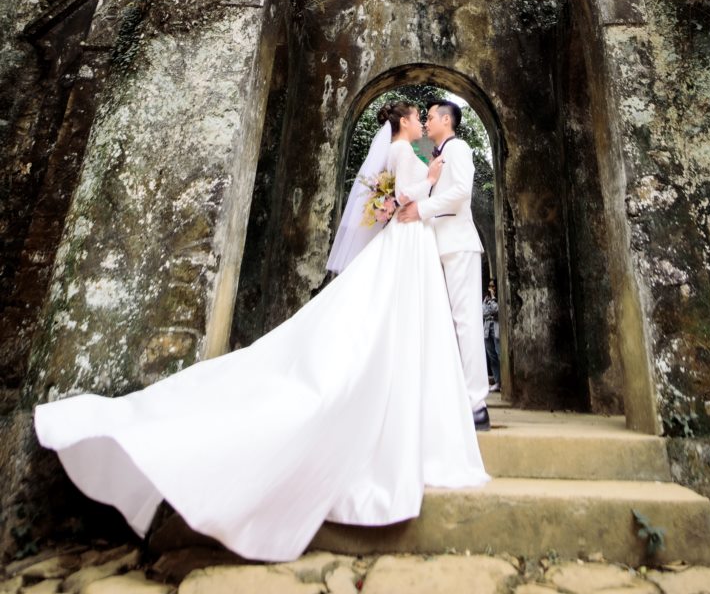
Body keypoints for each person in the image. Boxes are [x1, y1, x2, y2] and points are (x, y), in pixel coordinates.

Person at [33, 102, 489, 563]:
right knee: (395, 322)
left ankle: (424, 393)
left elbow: (408, 198)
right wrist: (427, 184)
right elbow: (408, 195)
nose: (424, 120)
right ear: (404, 122)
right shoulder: (405, 152)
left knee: (400, 321)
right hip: (409, 238)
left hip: (414, 240)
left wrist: (417, 194)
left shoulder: (419, 151)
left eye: (430, 116)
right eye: (419, 116)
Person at [396, 100, 491, 431]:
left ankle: (476, 404)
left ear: (447, 120)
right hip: (437, 245)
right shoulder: (434, 155)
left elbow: (462, 191)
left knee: (466, 321)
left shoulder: (459, 148)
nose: (426, 121)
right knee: (445, 323)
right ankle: (452, 397)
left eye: (431, 117)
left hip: (459, 243)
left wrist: (421, 210)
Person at [483, 279, 501, 393]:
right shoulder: (485, 299)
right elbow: (483, 312)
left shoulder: (497, 299)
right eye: (490, 286)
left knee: (499, 354)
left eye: (493, 286)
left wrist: (494, 299)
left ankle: (503, 381)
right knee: (492, 357)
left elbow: (497, 310)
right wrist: (492, 312)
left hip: (496, 328)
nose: (491, 288)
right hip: (487, 330)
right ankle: (497, 382)